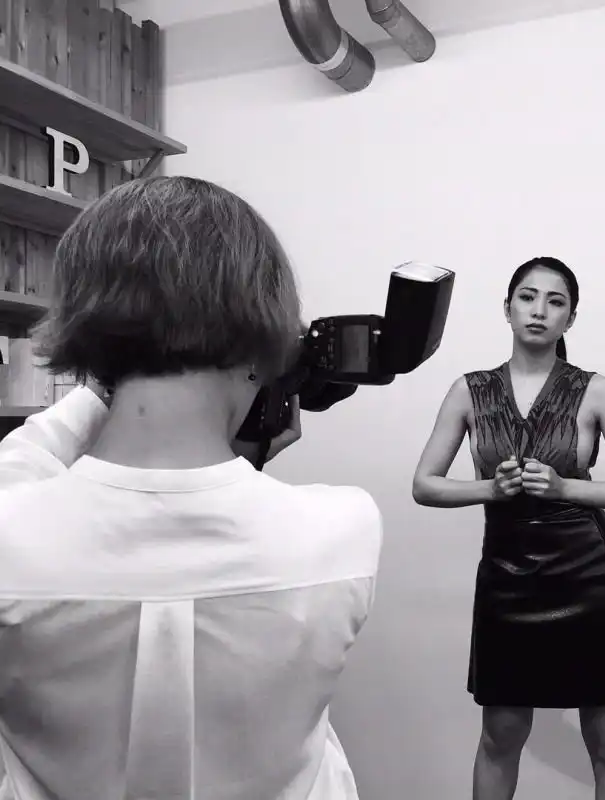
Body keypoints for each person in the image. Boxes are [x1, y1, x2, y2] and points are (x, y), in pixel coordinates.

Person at [0, 176, 382, 800]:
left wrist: (105, 380)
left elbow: (23, 458)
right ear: (270, 334)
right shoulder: (343, 528)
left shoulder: (11, 531)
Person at [412, 257, 605, 800]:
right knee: (500, 737)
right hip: (507, 579)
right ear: (507, 308)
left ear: (570, 319)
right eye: (528, 297)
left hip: (589, 577)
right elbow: (424, 485)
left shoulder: (596, 390)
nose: (539, 310)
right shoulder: (469, 390)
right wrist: (491, 489)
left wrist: (565, 487)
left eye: (556, 302)